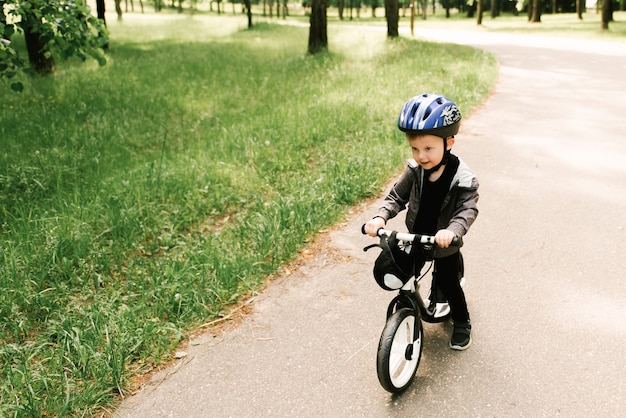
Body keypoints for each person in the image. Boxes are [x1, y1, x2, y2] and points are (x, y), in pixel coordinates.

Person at [364, 93, 479, 350]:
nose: (421, 156)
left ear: (449, 142)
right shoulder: (415, 171)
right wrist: (380, 216)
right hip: (414, 237)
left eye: (428, 148)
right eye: (415, 148)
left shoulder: (462, 177)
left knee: (449, 283)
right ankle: (406, 314)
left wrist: (452, 230)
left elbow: (467, 209)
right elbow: (396, 196)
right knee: (400, 273)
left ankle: (462, 321)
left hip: (443, 242)